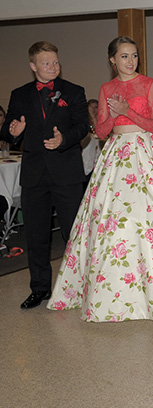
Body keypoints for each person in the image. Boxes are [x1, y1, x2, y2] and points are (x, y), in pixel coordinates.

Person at [47, 36, 153, 321]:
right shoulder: (107, 88)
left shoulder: (149, 84)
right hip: (115, 156)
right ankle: (112, 292)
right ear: (112, 60)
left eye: (133, 56)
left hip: (145, 153)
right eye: (124, 56)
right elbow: (102, 129)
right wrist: (112, 115)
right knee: (112, 222)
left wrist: (127, 111)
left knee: (149, 220)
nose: (130, 61)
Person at [0, 41, 88, 309]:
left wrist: (63, 139)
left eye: (56, 62)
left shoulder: (73, 91)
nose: (53, 66)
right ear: (33, 66)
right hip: (34, 176)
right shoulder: (19, 94)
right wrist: (13, 133)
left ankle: (81, 288)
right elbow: (7, 131)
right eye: (46, 63)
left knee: (74, 233)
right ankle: (39, 288)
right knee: (36, 236)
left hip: (67, 173)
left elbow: (83, 125)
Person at [80, 98, 101, 180]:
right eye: (91, 107)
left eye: (96, 107)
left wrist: (94, 118)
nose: (94, 109)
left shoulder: (101, 121)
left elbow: (98, 132)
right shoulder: (83, 120)